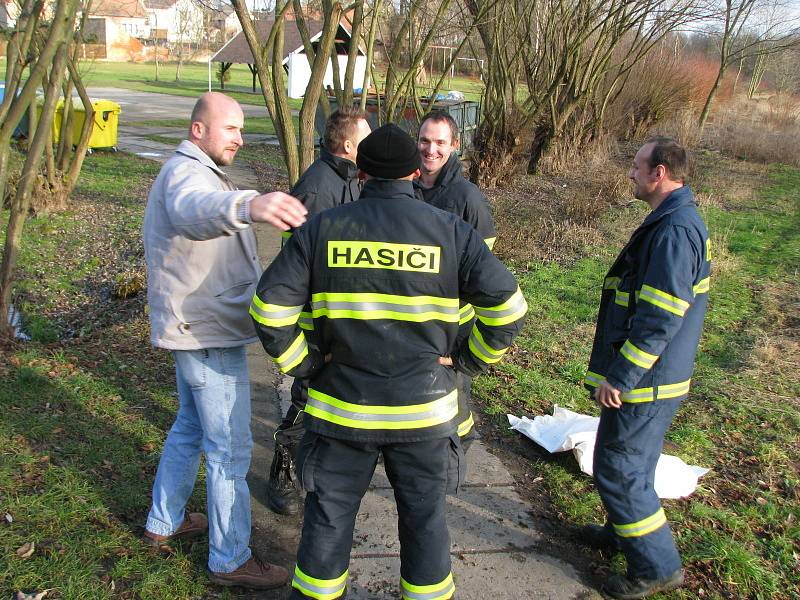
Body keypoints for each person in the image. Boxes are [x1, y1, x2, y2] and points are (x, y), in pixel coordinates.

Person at [249, 124, 527, 599]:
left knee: (329, 520)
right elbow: (509, 309)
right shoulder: (453, 233)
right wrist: (465, 360)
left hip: (341, 411)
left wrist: (307, 364)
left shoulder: (322, 230)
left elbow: (268, 309)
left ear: (360, 173)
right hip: (425, 415)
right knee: (424, 522)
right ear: (416, 173)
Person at [141, 92, 307, 590]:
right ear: (198, 131)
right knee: (229, 449)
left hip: (198, 326)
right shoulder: (186, 176)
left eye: (240, 129)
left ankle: (163, 521)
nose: (239, 137)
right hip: (206, 331)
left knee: (189, 429)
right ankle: (229, 558)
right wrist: (250, 203)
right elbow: (195, 211)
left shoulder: (199, 168)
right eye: (231, 128)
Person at [581, 137, 710, 599]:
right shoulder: (672, 219)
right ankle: (624, 531)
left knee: (618, 467)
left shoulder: (674, 231)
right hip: (655, 376)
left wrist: (621, 375)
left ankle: (656, 565)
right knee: (629, 462)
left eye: (637, 166)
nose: (630, 173)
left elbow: (659, 319)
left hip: (647, 379)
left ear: (659, 173)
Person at [266, 107, 372, 516]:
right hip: (317, 317)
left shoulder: (349, 180)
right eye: (366, 137)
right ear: (348, 145)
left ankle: (325, 465)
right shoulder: (319, 187)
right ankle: (284, 471)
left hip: (341, 313)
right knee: (308, 394)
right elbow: (301, 262)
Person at [415, 110, 497, 448]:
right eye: (424, 140)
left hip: (452, 320)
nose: (430, 149)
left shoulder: (467, 198)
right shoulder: (406, 187)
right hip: (412, 315)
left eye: (439, 142)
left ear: (454, 146)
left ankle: (459, 448)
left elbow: (483, 267)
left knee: (453, 394)